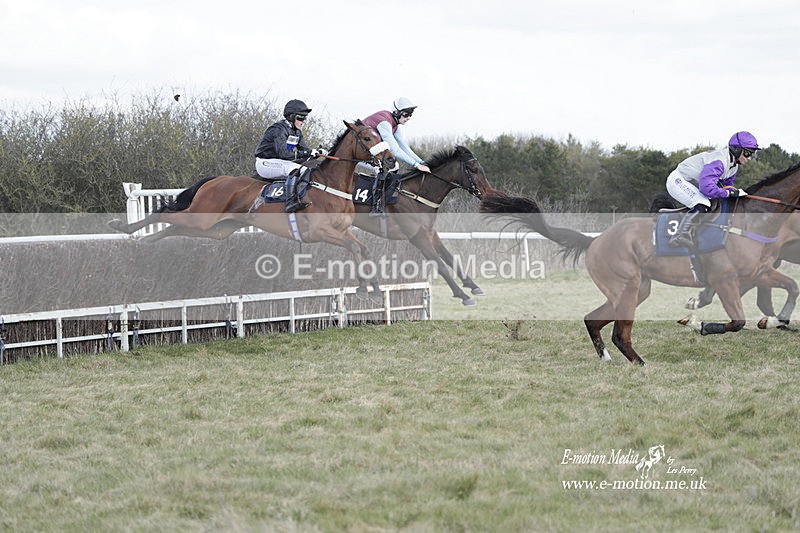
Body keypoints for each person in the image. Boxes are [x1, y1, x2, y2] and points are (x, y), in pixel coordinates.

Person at [665, 131, 761, 247]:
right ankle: (681, 235)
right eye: (747, 153)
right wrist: (728, 193)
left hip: (693, 183)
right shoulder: (719, 162)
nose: (750, 158)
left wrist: (734, 193)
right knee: (703, 203)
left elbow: (726, 187)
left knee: (714, 203)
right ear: (736, 149)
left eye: (752, 154)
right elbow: (707, 188)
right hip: (678, 180)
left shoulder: (733, 167)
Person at [254, 99, 326, 213]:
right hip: (265, 163)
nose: (303, 121)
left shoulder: (297, 132)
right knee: (295, 169)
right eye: (301, 118)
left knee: (307, 170)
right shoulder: (278, 129)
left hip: (280, 162)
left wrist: (317, 152)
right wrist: (308, 152)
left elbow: (305, 152)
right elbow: (284, 154)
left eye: (305, 118)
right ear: (291, 117)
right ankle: (291, 202)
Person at [361, 97, 430, 216]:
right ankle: (376, 206)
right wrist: (416, 165)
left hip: (368, 151)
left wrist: (422, 162)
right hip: (357, 152)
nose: (408, 118)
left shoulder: (395, 125)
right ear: (397, 113)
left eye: (410, 115)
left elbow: (404, 147)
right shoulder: (385, 123)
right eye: (406, 114)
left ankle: (383, 201)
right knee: (386, 167)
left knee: (393, 166)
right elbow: (395, 150)